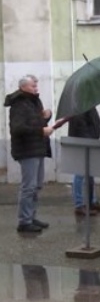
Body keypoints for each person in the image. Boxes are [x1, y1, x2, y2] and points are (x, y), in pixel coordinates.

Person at [4, 75, 53, 233]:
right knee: (28, 187)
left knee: (36, 185)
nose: (36, 88)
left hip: (37, 148)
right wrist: (41, 130)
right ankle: (24, 221)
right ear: (23, 87)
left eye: (36, 85)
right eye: (33, 85)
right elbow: (18, 129)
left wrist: (46, 116)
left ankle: (31, 216)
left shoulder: (33, 101)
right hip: (27, 150)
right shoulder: (19, 104)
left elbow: (37, 123)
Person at [68, 107, 100, 216]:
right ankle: (79, 204)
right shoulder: (79, 106)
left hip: (90, 141)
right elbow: (80, 127)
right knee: (80, 173)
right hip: (83, 143)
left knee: (90, 172)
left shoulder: (89, 105)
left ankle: (92, 201)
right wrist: (89, 141)